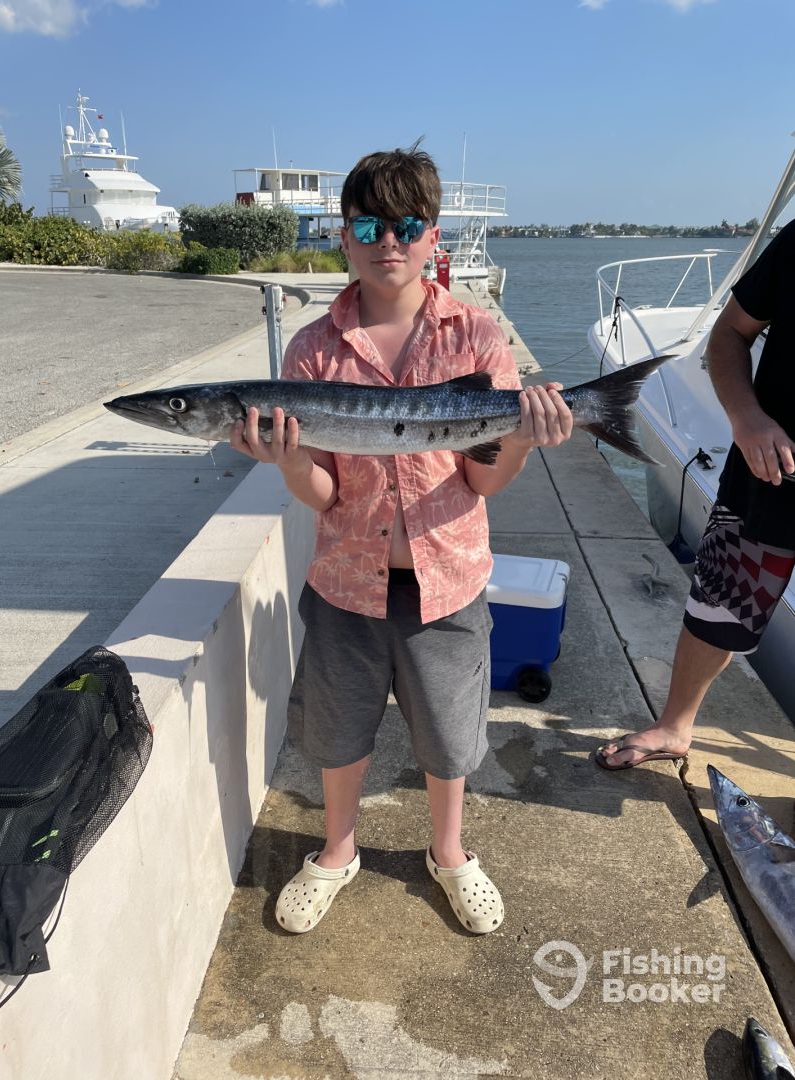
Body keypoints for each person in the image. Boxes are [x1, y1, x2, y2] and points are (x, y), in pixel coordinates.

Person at [231, 143, 573, 935]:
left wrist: (524, 439)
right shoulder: (312, 351)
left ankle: (449, 852)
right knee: (338, 731)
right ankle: (337, 849)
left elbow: (482, 482)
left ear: (433, 237)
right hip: (345, 583)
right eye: (369, 226)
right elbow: (323, 493)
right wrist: (291, 463)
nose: (388, 241)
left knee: (449, 736)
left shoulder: (475, 336)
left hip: (448, 581)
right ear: (344, 238)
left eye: (407, 225)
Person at [597, 220, 795, 771]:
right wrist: (746, 417)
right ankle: (673, 726)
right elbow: (729, 333)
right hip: (769, 470)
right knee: (719, 603)